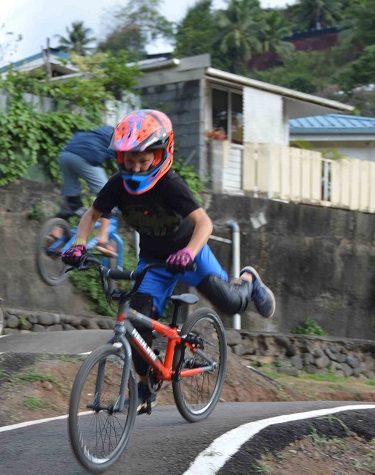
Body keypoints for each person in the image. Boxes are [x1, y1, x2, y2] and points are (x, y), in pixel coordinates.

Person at [62, 109, 276, 413]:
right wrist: (79, 244)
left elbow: (204, 224)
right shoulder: (116, 186)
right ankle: (146, 386)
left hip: (191, 254)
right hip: (154, 261)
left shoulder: (170, 185)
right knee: (136, 322)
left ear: (162, 153)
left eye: (143, 160)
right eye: (129, 160)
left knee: (229, 302)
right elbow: (92, 214)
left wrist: (188, 252)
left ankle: (249, 280)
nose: (135, 167)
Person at [56, 125, 116, 256]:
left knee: (72, 202)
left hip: (66, 154)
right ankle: (103, 240)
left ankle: (55, 232)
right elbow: (126, 165)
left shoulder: (100, 130)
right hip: (87, 156)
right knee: (108, 197)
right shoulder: (122, 137)